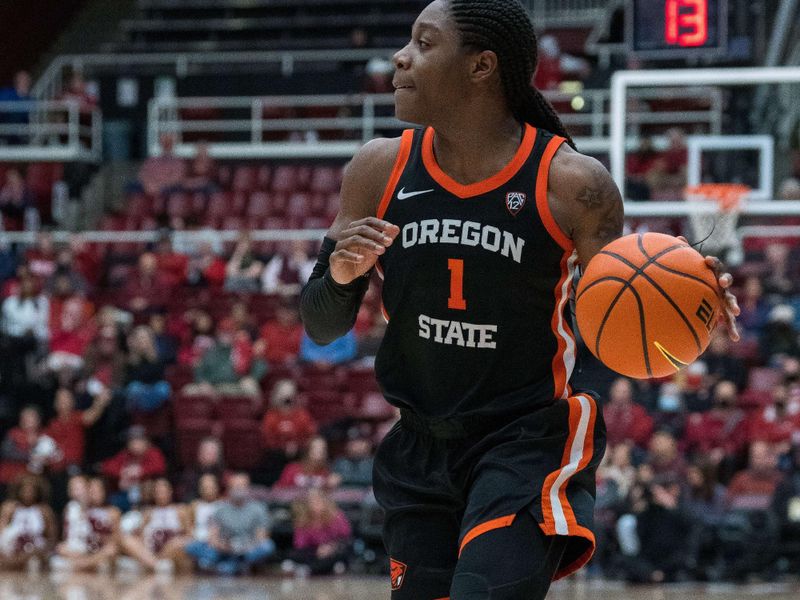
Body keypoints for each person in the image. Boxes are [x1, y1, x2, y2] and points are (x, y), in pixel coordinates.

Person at [298, 1, 739, 596]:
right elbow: (322, 327)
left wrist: (683, 295)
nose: (400, 58)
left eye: (425, 44)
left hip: (525, 442)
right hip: (419, 447)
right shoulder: (378, 169)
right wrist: (344, 275)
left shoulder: (572, 185)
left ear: (481, 66)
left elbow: (615, 319)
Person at [184, 472, 276, 575]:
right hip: (224, 549)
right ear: (229, 489)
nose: (239, 490)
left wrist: (245, 548)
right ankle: (230, 565)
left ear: (248, 488)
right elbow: (213, 537)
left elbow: (261, 537)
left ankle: (235, 564)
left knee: (267, 546)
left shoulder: (258, 508)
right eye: (235, 487)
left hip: (248, 549)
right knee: (192, 546)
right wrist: (224, 547)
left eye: (242, 486)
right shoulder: (220, 508)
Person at [119, 477, 190, 573]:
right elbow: (139, 534)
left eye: (163, 491)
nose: (161, 495)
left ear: (170, 492)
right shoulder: (148, 512)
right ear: (154, 494)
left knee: (180, 542)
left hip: (171, 550)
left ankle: (152, 564)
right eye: (158, 492)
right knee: (125, 539)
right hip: (150, 549)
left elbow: (189, 534)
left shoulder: (180, 510)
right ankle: (157, 565)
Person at [286, 488, 352, 576]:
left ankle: (309, 569)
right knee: (293, 554)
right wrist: (317, 550)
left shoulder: (337, 516)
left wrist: (331, 547)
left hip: (333, 549)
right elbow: (300, 545)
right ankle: (325, 567)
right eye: (312, 502)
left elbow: (346, 537)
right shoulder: (302, 520)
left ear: (325, 502)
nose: (315, 504)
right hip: (314, 551)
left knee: (342, 553)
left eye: (318, 501)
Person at [101, 426, 167, 511]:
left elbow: (159, 467)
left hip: (149, 497)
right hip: (126, 494)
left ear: (146, 442)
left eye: (138, 440)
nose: (135, 444)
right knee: (113, 501)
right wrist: (122, 473)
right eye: (132, 441)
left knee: (149, 485)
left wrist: (140, 472)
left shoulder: (153, 453)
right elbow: (106, 467)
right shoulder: (125, 455)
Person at [0, 474, 57, 570]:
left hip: (36, 551)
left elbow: (52, 538)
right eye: (25, 490)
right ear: (18, 490)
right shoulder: (9, 507)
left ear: (37, 491)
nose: (28, 493)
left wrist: (41, 551)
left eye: (31, 490)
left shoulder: (44, 510)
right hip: (10, 550)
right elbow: (2, 531)